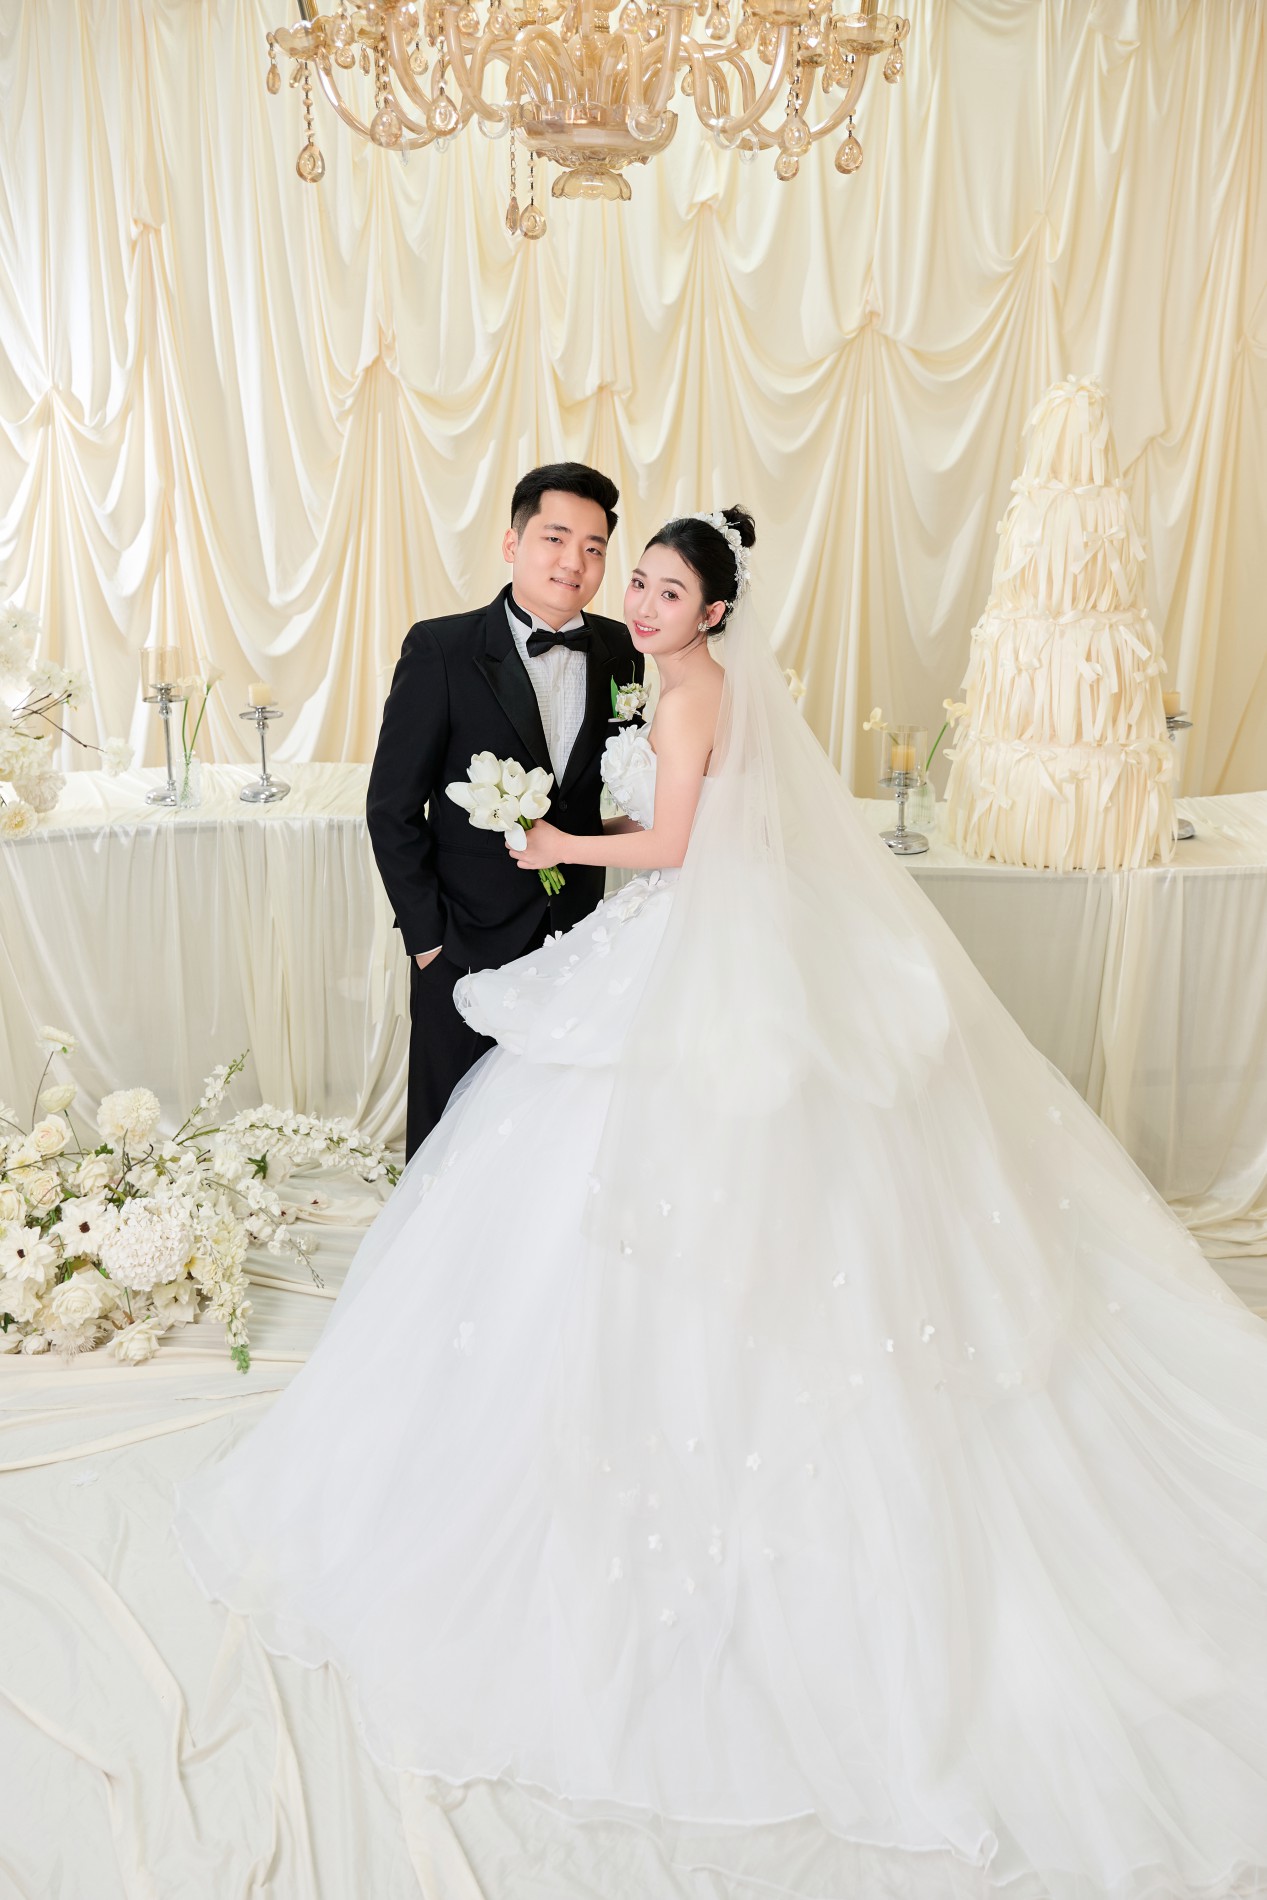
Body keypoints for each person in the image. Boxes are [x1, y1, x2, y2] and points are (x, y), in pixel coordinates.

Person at [179, 508, 1267, 1899]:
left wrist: (558, 839)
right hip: (662, 948)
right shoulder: (668, 677)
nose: (635, 600)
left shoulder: (688, 692)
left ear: (711, 613)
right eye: (633, 577)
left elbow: (680, 842)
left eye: (664, 588)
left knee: (663, 1166)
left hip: (681, 944)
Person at [366, 460, 642, 1158]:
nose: (574, 562)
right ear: (512, 543)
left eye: (593, 548)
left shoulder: (621, 651)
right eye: (555, 538)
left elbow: (608, 786)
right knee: (448, 1143)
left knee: (549, 1146)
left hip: (576, 940)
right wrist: (429, 940)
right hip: (464, 943)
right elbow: (390, 807)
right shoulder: (442, 649)